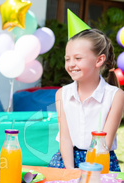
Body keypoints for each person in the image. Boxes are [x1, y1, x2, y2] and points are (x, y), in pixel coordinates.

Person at [49, 28, 124, 171]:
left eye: (78, 58)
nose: (71, 64)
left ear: (99, 60)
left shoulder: (115, 96)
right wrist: (70, 169)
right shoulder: (62, 94)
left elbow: (104, 144)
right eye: (67, 59)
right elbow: (65, 137)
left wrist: (88, 171)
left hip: (99, 160)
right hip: (67, 160)